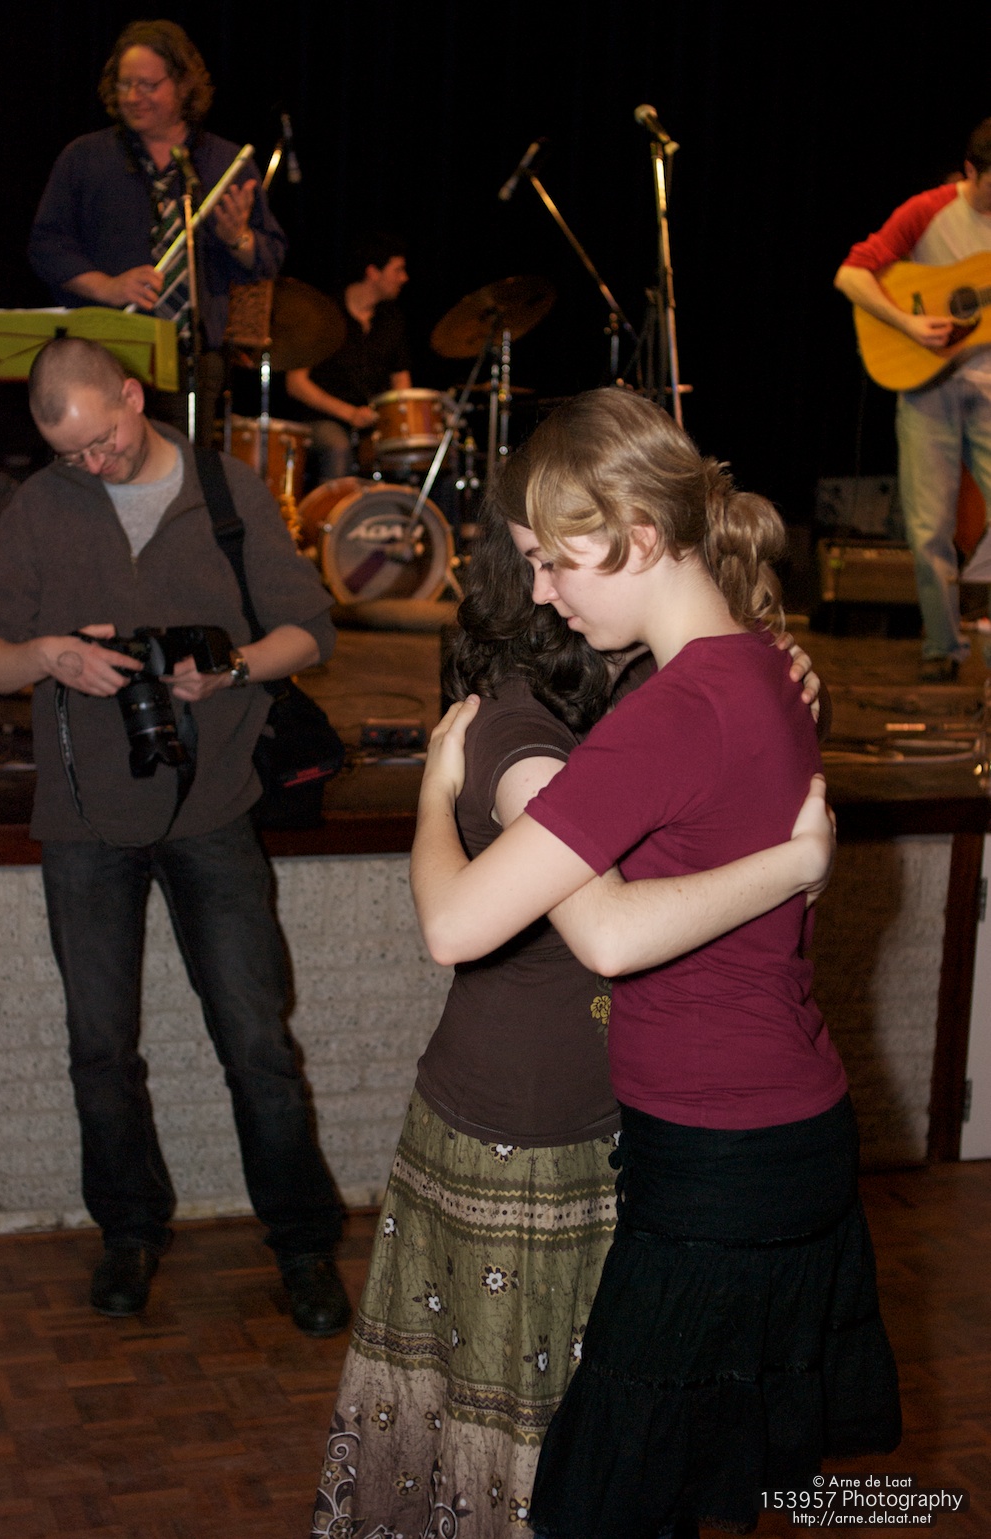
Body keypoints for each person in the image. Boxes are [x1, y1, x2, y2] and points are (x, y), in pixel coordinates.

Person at [410, 390, 901, 1539]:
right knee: (683, 1493)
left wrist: (437, 792)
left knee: (602, 1507)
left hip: (725, 1156)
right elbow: (626, 914)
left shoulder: (675, 713)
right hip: (773, 1136)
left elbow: (462, 928)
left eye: (552, 561)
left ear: (635, 536)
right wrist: (792, 866)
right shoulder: (764, 667)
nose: (541, 591)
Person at [312, 469, 838, 1539]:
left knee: (581, 1427)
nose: (556, 586)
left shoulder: (652, 700)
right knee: (526, 1432)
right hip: (523, 1127)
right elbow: (542, 928)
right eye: (541, 566)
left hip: (595, 1121)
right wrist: (431, 799)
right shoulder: (527, 740)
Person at [0, 337, 350, 1337]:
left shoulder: (224, 490)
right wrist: (48, 656)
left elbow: (311, 630)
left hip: (214, 807)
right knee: (100, 1048)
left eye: (103, 440)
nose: (92, 463)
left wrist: (234, 669)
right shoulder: (40, 505)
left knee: (256, 1042)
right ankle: (129, 1233)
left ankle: (304, 1246)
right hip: (83, 819)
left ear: (133, 396)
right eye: (70, 453)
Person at [29, 19, 286, 447]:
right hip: (105, 354)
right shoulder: (85, 158)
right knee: (100, 466)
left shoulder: (226, 163)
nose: (133, 97)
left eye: (147, 85)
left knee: (182, 473)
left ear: (183, 85)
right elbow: (46, 245)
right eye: (125, 84)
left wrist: (238, 239)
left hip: (191, 360)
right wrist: (108, 286)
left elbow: (269, 256)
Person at [834, 118, 991, 681]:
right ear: (971, 171)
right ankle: (943, 648)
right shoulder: (928, 209)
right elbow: (851, 275)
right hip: (928, 387)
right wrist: (908, 323)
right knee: (928, 528)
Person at [282, 233, 412, 482]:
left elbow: (401, 382)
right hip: (323, 419)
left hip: (372, 422)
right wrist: (349, 413)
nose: (404, 278)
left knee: (422, 453)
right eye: (397, 270)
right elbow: (296, 383)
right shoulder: (325, 313)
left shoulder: (392, 320)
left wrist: (398, 421)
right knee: (338, 445)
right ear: (373, 272)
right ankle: (336, 508)